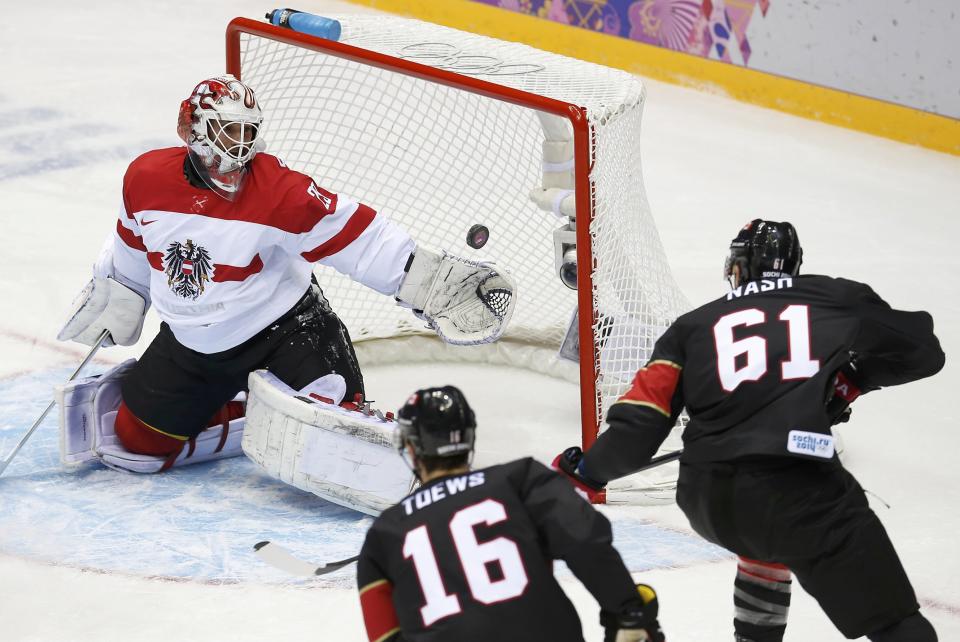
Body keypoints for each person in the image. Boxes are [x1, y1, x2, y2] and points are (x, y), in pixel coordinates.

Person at [56, 75, 515, 472]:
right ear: (191, 129)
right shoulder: (145, 178)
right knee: (137, 446)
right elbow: (133, 243)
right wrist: (121, 292)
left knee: (337, 444)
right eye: (225, 130)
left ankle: (302, 405)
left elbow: (359, 239)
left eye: (247, 132)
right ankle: (252, 410)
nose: (239, 146)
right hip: (193, 345)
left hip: (285, 332)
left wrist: (429, 282)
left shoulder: (279, 190)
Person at [555, 220, 944, 642]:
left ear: (736, 269)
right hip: (798, 493)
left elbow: (638, 429)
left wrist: (586, 471)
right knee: (897, 624)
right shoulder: (832, 297)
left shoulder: (690, 327)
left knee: (764, 547)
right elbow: (924, 351)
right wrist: (851, 379)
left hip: (707, 498)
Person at [356, 386, 665, 642]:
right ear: (469, 438)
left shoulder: (383, 534)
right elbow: (585, 541)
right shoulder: (521, 479)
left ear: (411, 449)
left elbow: (385, 637)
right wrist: (627, 609)